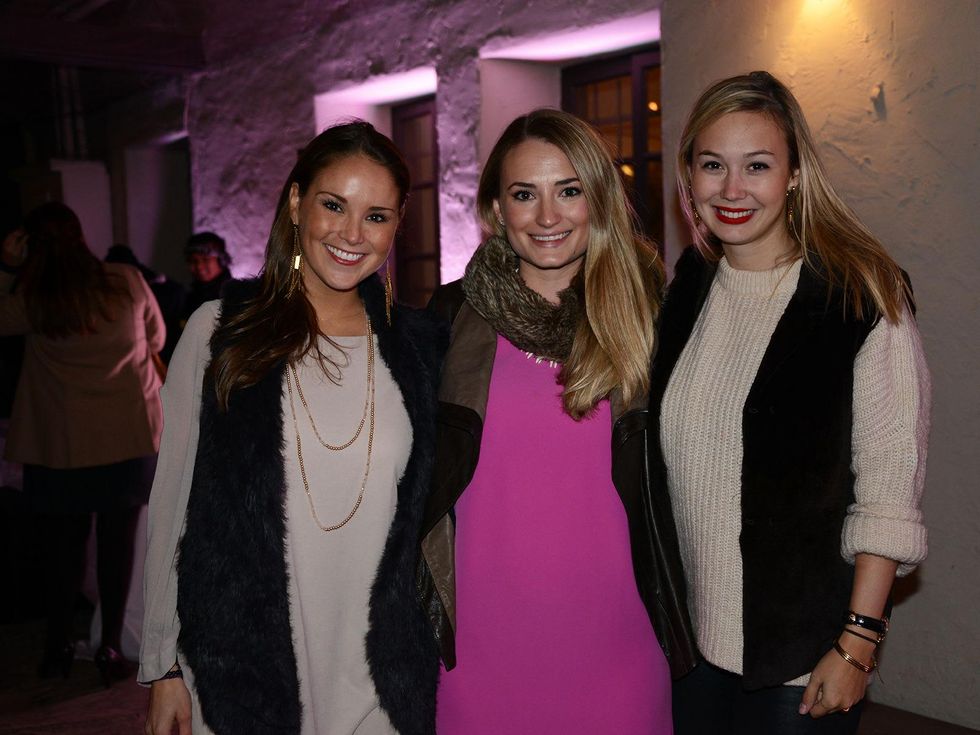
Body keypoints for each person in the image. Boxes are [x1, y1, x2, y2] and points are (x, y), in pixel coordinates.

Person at [140, 122, 444, 735]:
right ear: (298, 202)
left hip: (381, 678)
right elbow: (171, 506)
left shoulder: (420, 347)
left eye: (377, 216)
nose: (352, 234)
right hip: (242, 672)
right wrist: (163, 664)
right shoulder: (219, 331)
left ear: (396, 227)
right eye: (334, 205)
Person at [654, 71, 930, 734]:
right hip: (690, 654)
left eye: (757, 166)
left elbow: (888, 491)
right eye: (713, 165)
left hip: (801, 663)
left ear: (795, 174)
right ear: (688, 175)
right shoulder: (687, 286)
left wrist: (858, 643)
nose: (732, 189)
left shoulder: (860, 297)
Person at [416, 108, 695, 734]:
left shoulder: (654, 318)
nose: (547, 217)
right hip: (477, 648)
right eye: (524, 194)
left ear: (598, 198)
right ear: (495, 209)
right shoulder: (449, 321)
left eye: (568, 190)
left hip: (620, 640)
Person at [0, 202, 164, 684]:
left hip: (63, 445)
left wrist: (8, 265)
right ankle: (109, 646)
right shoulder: (125, 281)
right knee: (117, 547)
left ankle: (56, 647)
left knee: (63, 551)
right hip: (128, 437)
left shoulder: (36, 297)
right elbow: (154, 337)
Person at [180, 231, 232, 326]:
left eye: (206, 260)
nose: (199, 266)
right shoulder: (186, 300)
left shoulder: (233, 297)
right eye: (193, 261)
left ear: (222, 261)